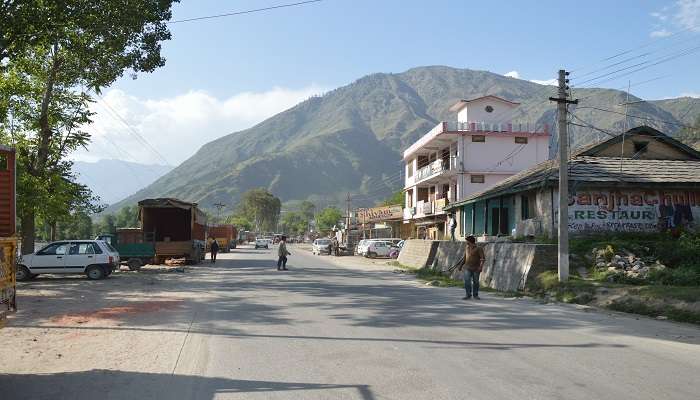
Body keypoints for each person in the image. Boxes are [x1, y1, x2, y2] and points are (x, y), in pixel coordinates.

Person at [460, 235, 485, 300]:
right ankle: (468, 295)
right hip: (467, 268)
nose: (466, 242)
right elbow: (465, 258)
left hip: (476, 268)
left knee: (476, 282)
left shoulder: (479, 248)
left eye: (467, 241)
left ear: (470, 241)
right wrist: (460, 265)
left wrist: (481, 267)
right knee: (467, 281)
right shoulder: (467, 248)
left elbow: (482, 259)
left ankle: (475, 295)